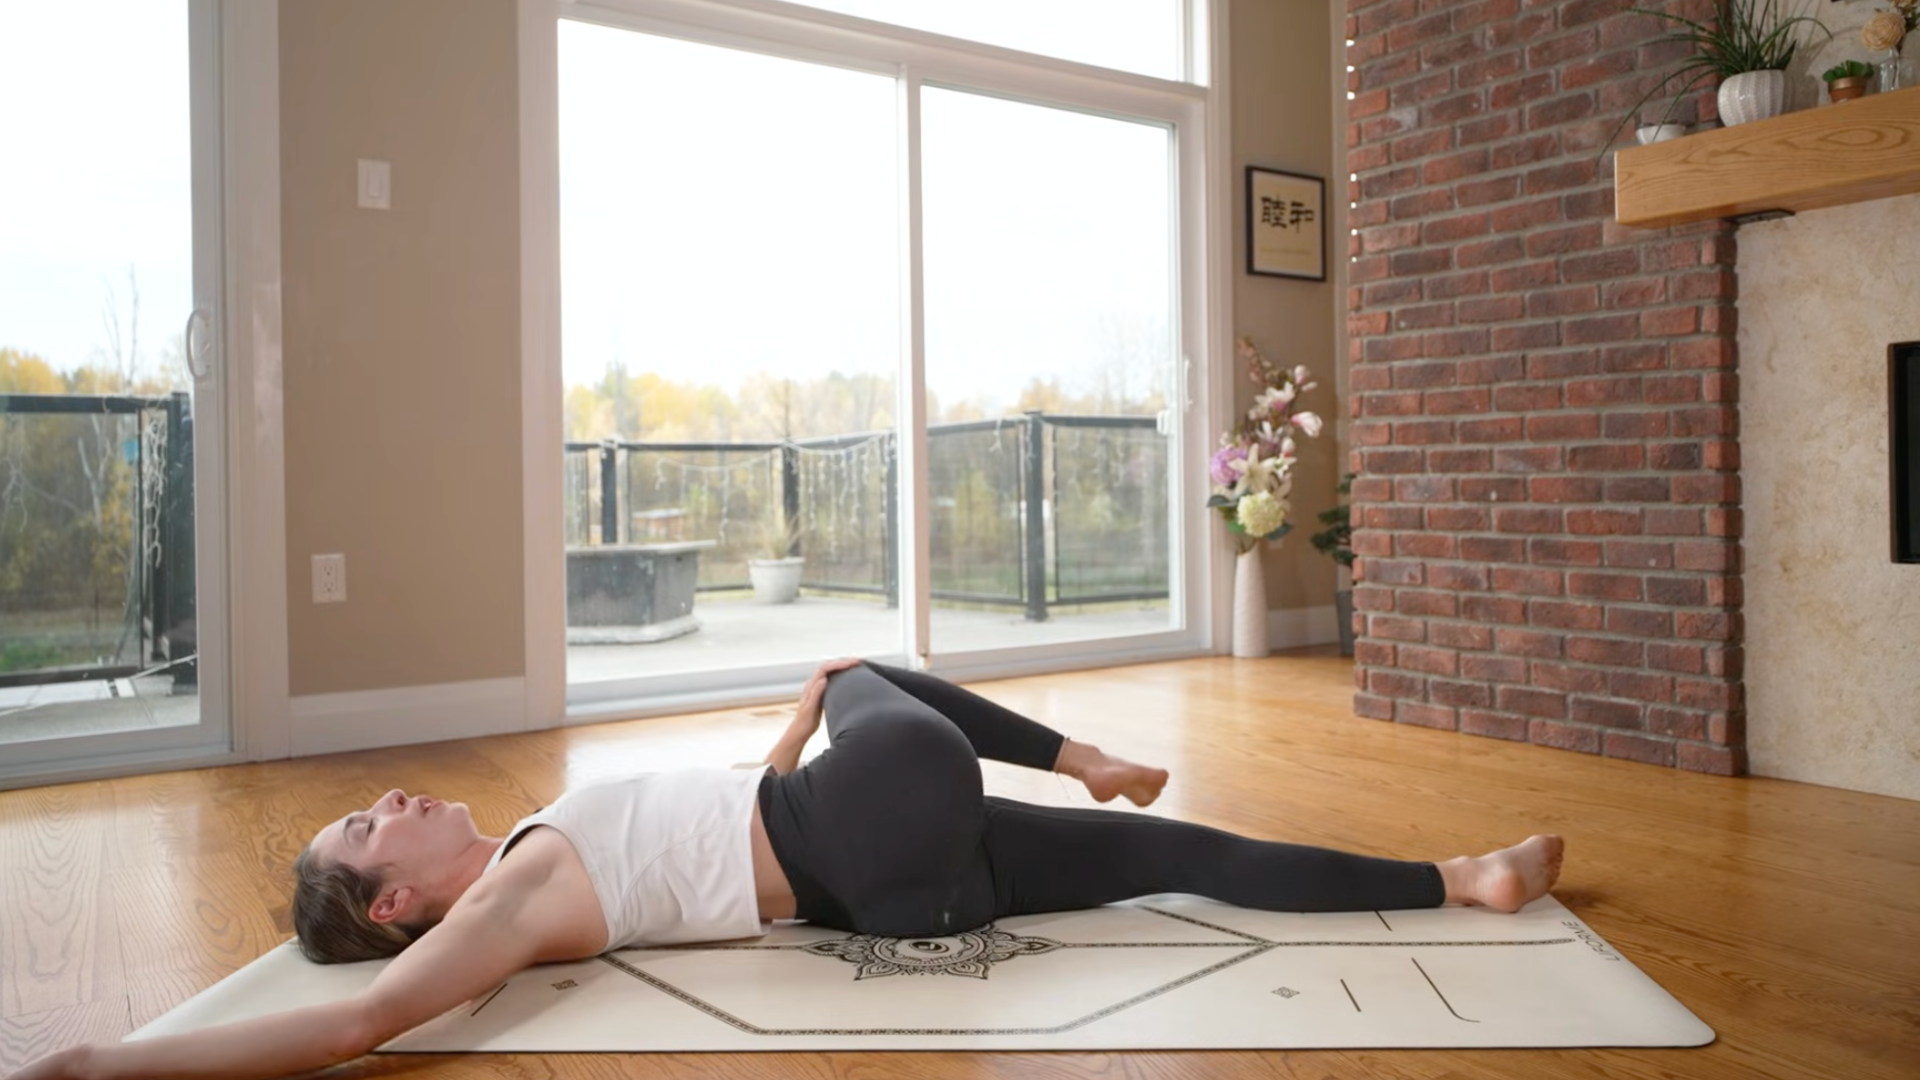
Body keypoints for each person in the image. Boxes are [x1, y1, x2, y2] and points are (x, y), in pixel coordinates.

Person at [8, 659, 1564, 1080]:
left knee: (1183, 857)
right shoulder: (508, 898)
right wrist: (114, 1063)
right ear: (401, 902)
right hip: (863, 825)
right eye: (367, 831)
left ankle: (1459, 880)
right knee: (869, 656)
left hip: (889, 883)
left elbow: (717, 833)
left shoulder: (557, 844)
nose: (391, 799)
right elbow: (352, 1025)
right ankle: (1078, 751)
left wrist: (790, 728)